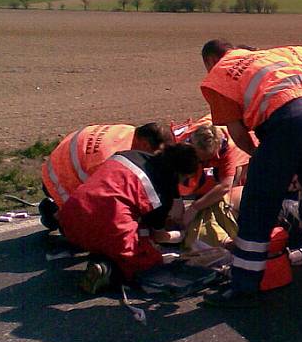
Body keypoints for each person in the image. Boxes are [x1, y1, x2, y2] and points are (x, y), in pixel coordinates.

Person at [198, 40, 302, 307]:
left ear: (209, 61)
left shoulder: (218, 74)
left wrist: (261, 158)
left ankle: (244, 287)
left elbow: (238, 134)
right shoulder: (270, 56)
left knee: (258, 201)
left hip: (287, 117)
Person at [57, 143, 200, 293]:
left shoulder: (130, 155)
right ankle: (109, 270)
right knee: (147, 261)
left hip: (70, 216)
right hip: (103, 224)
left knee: (127, 225)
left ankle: (102, 251)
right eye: (185, 179)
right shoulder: (161, 193)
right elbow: (158, 236)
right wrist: (178, 236)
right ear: (178, 173)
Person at [40, 122, 174, 229]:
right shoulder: (111, 159)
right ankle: (57, 215)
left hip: (61, 162)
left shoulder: (129, 132)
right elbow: (106, 200)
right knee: (93, 233)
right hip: (59, 180)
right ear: (145, 144)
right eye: (157, 154)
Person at [180, 123, 251, 247]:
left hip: (241, 158)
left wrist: (195, 208)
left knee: (222, 202)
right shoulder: (181, 144)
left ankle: (225, 239)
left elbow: (225, 186)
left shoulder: (229, 147)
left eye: (207, 158)